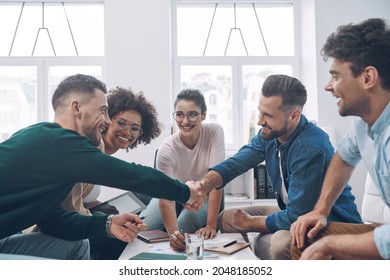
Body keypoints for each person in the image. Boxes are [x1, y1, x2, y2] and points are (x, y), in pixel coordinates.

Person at [0, 74, 205, 259]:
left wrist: (107, 224)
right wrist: (186, 191)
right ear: (76, 108)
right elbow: (130, 175)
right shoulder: (59, 143)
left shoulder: (44, 139)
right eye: (103, 111)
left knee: (78, 246)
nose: (107, 120)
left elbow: (51, 220)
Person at [196, 74, 362, 260]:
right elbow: (239, 161)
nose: (260, 121)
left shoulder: (310, 148)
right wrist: (205, 184)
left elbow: (296, 216)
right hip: (295, 212)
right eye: (260, 112)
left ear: (293, 115)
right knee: (226, 218)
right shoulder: (271, 133)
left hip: (329, 220)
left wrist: (252, 222)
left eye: (268, 115)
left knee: (281, 243)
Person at [290, 18, 390, 260]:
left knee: (322, 244)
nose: (328, 86)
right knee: (307, 236)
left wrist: (331, 245)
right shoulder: (361, 123)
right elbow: (343, 158)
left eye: (335, 76)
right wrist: (321, 210)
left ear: (368, 77)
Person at [140, 89, 225, 251]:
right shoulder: (167, 148)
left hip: (202, 197)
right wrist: (173, 235)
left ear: (204, 115)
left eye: (192, 114)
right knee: (146, 229)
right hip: (172, 195)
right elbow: (165, 197)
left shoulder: (214, 132)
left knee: (184, 226)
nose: (185, 121)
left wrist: (211, 225)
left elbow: (216, 181)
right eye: (179, 114)